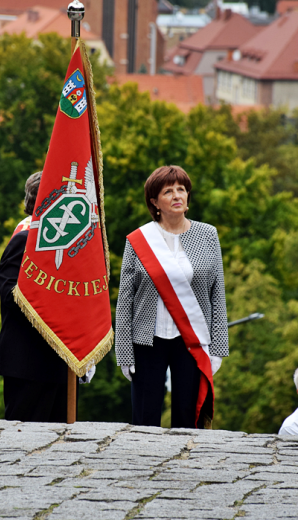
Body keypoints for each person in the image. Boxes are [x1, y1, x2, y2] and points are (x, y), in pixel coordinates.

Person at [115, 165, 228, 428]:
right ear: (155, 202)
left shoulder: (208, 235)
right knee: (145, 420)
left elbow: (217, 294)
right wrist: (124, 353)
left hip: (191, 340)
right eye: (168, 191)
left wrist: (219, 348)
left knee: (188, 417)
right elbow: (124, 304)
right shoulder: (138, 240)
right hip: (146, 340)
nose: (177, 195)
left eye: (182, 189)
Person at [0, 172, 94, 422]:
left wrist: (85, 349)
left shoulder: (69, 246)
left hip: (61, 361)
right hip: (28, 362)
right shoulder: (24, 240)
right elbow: (9, 296)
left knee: (60, 445)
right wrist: (53, 298)